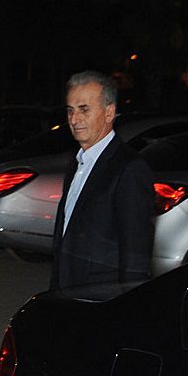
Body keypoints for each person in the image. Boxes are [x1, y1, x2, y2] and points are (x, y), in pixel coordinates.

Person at [51, 71, 154, 289]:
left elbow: (135, 251)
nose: (74, 119)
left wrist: (127, 301)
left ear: (109, 113)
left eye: (84, 109)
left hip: (102, 295)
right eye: (70, 110)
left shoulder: (129, 168)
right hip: (69, 290)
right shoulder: (77, 163)